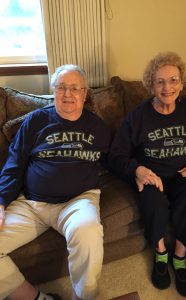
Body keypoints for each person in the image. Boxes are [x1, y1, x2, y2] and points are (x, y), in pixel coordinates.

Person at [0, 64, 111, 300]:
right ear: (53, 91)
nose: (68, 94)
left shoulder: (98, 127)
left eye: (74, 88)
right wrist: (1, 201)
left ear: (84, 93)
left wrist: (138, 170)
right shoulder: (35, 121)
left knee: (88, 234)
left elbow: (116, 159)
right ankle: (38, 298)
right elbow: (15, 162)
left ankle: (83, 298)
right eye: (61, 87)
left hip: (78, 201)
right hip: (32, 203)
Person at [108, 51, 186, 297]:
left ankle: (179, 257)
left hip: (184, 175)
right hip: (152, 176)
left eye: (174, 80)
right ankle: (161, 254)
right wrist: (138, 170)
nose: (168, 87)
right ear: (151, 85)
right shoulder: (138, 116)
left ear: (182, 83)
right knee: (152, 201)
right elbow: (115, 155)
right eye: (160, 81)